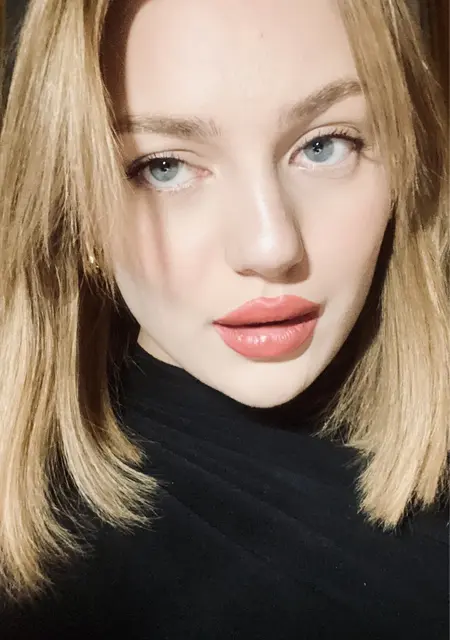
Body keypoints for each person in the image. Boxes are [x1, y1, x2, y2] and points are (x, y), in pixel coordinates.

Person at [0, 0, 448, 638]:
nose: (271, 247)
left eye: (324, 146)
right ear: (75, 208)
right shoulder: (59, 589)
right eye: (164, 167)